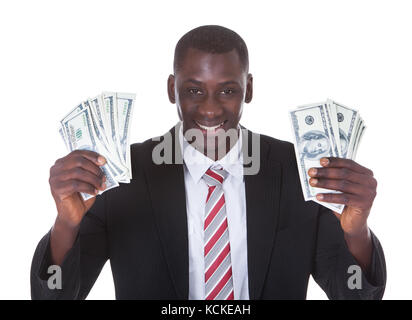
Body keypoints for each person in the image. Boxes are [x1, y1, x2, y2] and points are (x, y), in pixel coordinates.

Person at [31, 25, 386, 300]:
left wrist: (356, 232)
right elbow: (55, 294)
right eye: (194, 90)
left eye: (228, 90)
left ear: (249, 88)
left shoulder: (299, 171)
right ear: (172, 89)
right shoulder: (120, 174)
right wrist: (66, 225)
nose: (211, 108)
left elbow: (353, 294)